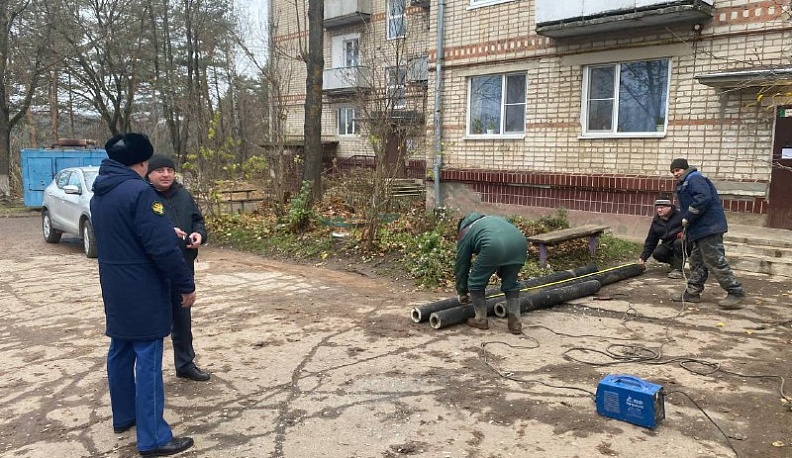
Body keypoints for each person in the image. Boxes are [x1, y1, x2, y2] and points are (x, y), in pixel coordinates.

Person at [91, 133, 196, 456]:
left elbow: (126, 235)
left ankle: (124, 416)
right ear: (141, 162)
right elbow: (162, 249)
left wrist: (164, 227)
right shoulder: (139, 192)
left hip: (115, 285)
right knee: (149, 358)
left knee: (120, 350)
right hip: (143, 287)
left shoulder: (101, 192)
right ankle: (154, 438)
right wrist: (184, 284)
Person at [146, 154, 210, 382]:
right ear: (148, 174)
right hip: (153, 270)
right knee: (153, 321)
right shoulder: (144, 197)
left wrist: (198, 235)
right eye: (160, 171)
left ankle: (185, 363)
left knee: (182, 317)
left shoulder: (183, 195)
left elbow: (198, 221)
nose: (166, 175)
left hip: (183, 265)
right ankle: (148, 372)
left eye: (169, 170)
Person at [669, 158, 745, 309]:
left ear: (685, 169)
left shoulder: (694, 178)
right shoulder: (686, 182)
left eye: (677, 170)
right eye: (672, 172)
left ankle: (735, 292)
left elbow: (702, 198)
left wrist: (688, 217)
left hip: (709, 228)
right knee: (697, 260)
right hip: (701, 229)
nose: (675, 174)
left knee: (714, 260)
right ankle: (692, 292)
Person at [455, 212, 527, 334]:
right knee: (511, 283)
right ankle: (515, 322)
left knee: (475, 282)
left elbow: (462, 264)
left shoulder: (465, 232)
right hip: (520, 243)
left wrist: (462, 290)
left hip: (493, 245)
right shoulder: (493, 219)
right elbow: (504, 239)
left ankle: (480, 319)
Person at [638, 195, 689, 279]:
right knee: (658, 253)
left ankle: (678, 270)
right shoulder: (656, 221)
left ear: (669, 207)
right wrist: (643, 257)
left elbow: (693, 227)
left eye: (662, 207)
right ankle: (676, 264)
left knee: (679, 243)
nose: (659, 210)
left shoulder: (681, 215)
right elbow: (651, 240)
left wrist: (685, 233)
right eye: (657, 208)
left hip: (685, 243)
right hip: (668, 244)